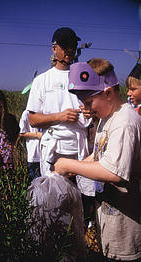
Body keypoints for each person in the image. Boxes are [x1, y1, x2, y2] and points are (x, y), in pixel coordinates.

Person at [54, 59, 141, 261]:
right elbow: (101, 154)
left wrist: (69, 164)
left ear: (108, 93)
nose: (86, 108)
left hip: (127, 233)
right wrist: (81, 165)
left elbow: (115, 172)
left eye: (88, 102)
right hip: (111, 224)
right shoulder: (107, 118)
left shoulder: (125, 122)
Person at [26, 27, 94, 196]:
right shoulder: (42, 80)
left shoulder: (84, 76)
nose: (69, 50)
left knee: (82, 198)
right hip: (54, 150)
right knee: (55, 198)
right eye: (65, 46)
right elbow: (33, 120)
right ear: (54, 48)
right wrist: (60, 116)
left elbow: (95, 109)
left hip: (80, 149)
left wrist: (89, 112)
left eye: (72, 45)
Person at [19, 109, 42, 181]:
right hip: (34, 155)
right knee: (36, 182)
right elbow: (21, 133)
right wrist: (36, 135)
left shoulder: (46, 111)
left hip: (47, 155)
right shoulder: (26, 113)